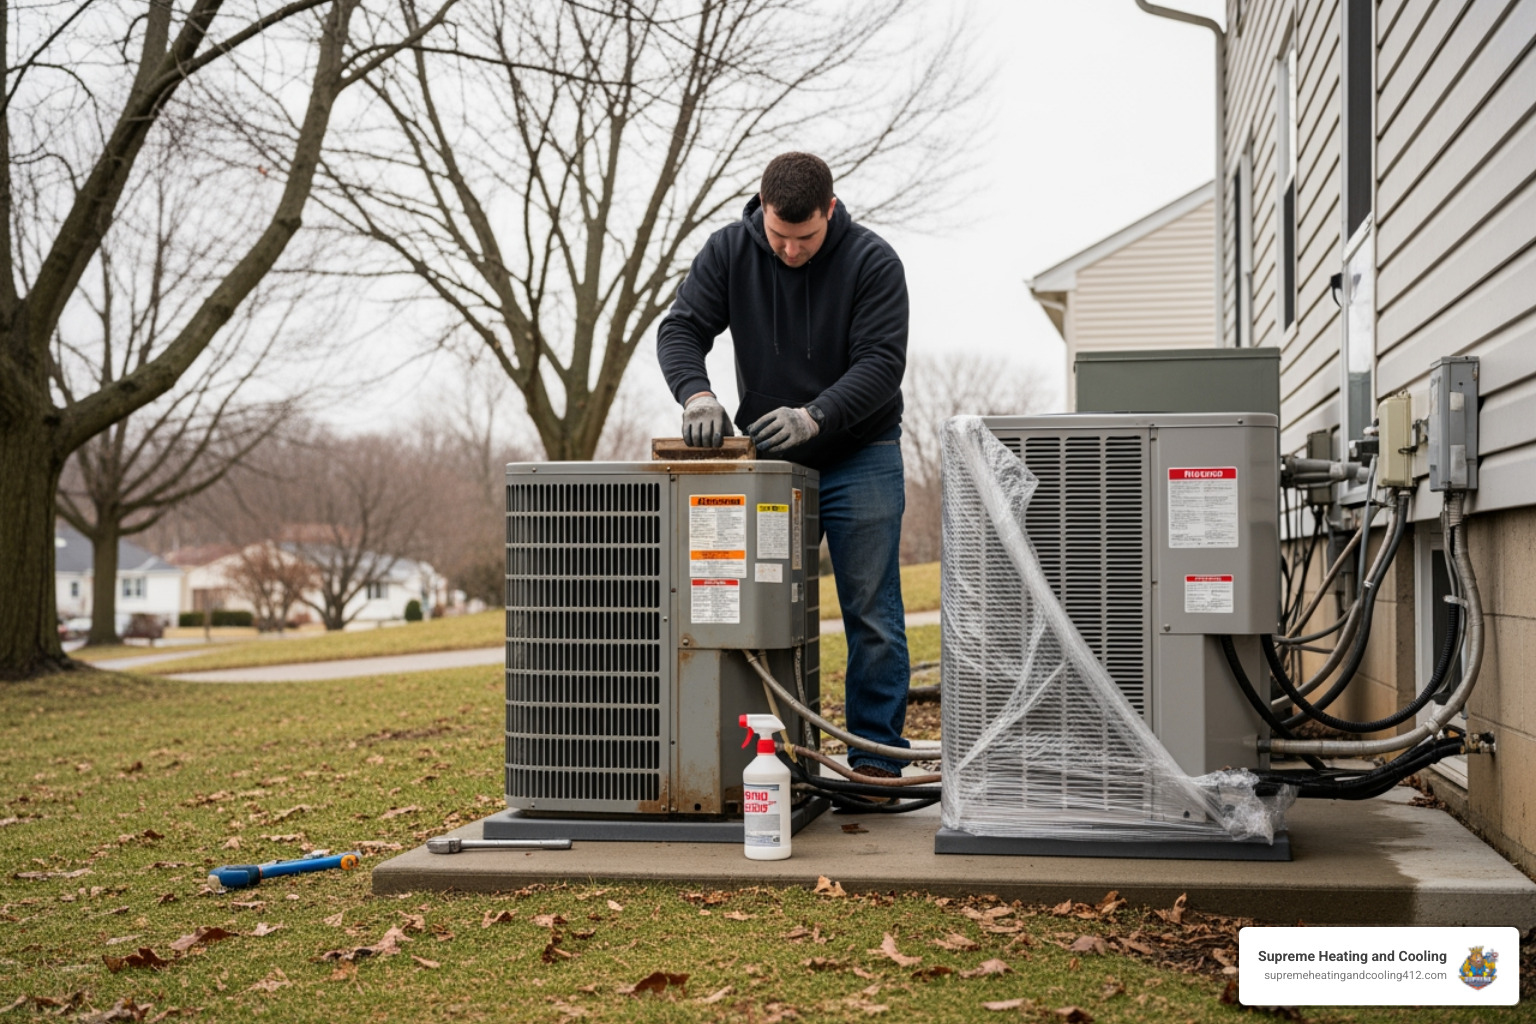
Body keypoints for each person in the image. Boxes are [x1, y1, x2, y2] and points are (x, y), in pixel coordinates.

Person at [657, 151, 911, 780]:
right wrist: (698, 394)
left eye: (804, 238)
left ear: (830, 209)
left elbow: (881, 363)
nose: (791, 250)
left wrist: (816, 415)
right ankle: (774, 758)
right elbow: (681, 328)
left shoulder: (872, 262)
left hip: (862, 456)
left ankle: (874, 764)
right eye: (778, 236)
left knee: (872, 616)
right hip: (770, 464)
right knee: (757, 606)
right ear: (761, 210)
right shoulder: (728, 253)